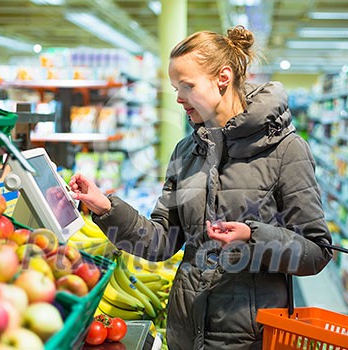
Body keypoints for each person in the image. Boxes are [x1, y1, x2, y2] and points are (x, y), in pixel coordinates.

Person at [69, 25, 332, 350]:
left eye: (187, 86)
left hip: (249, 338)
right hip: (185, 331)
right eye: (175, 87)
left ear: (222, 77)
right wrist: (107, 208)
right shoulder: (186, 151)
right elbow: (161, 243)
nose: (178, 98)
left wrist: (253, 237)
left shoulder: (286, 151)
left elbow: (317, 251)